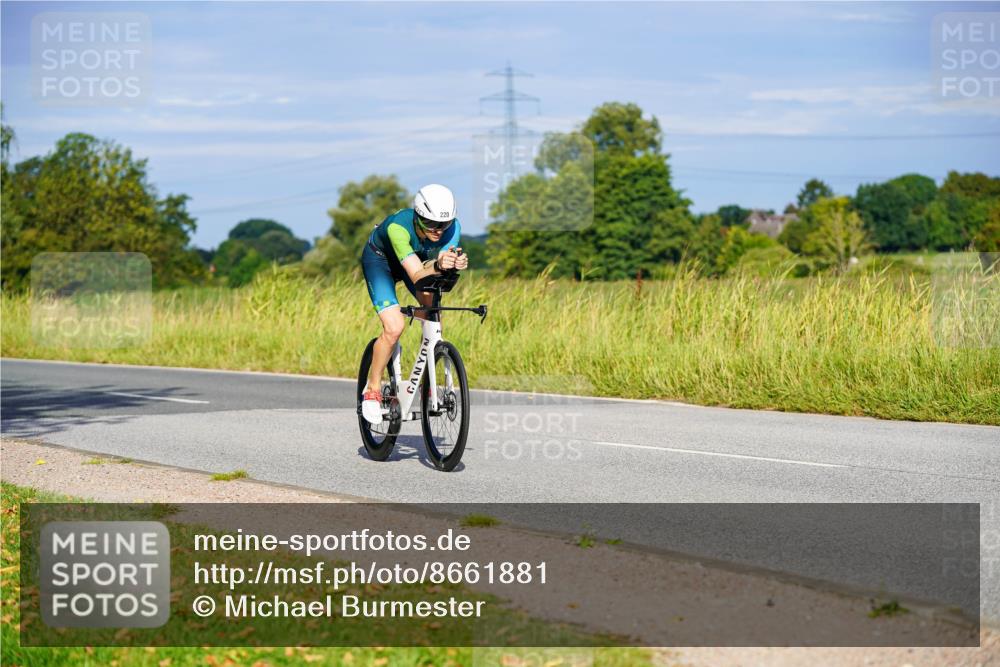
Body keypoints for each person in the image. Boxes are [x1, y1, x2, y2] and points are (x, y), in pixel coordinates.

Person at [360, 184, 468, 424]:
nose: (438, 231)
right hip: (381, 262)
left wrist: (451, 264)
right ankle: (373, 388)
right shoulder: (398, 227)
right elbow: (417, 273)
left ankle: (426, 381)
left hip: (415, 263)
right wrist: (438, 265)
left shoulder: (453, 229)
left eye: (444, 224)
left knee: (433, 315)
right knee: (394, 327)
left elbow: (434, 271)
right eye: (430, 223)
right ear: (418, 216)